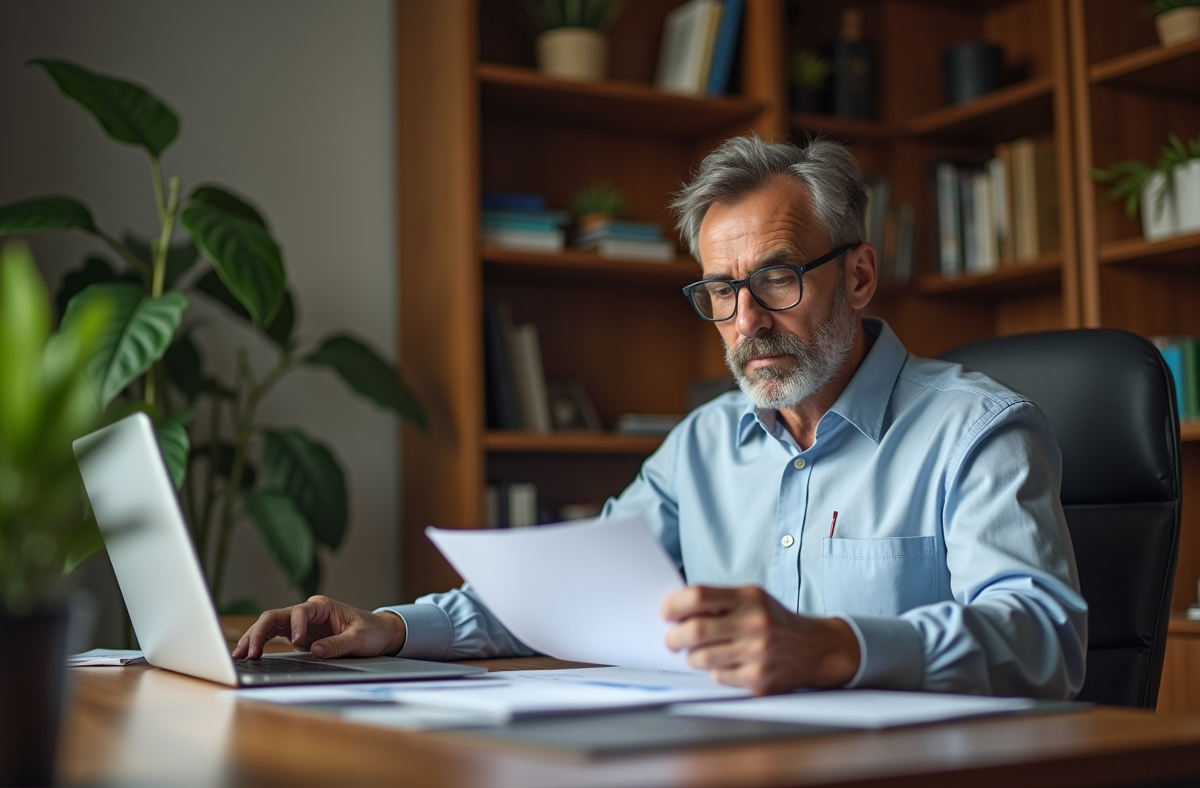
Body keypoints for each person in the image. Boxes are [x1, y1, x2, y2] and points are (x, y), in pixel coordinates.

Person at [235, 135, 1087, 698]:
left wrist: (838, 647)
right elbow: (563, 598)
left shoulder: (977, 431)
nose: (746, 321)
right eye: (722, 291)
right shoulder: (701, 448)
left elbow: (1046, 636)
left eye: (778, 279)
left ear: (858, 277)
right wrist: (389, 628)